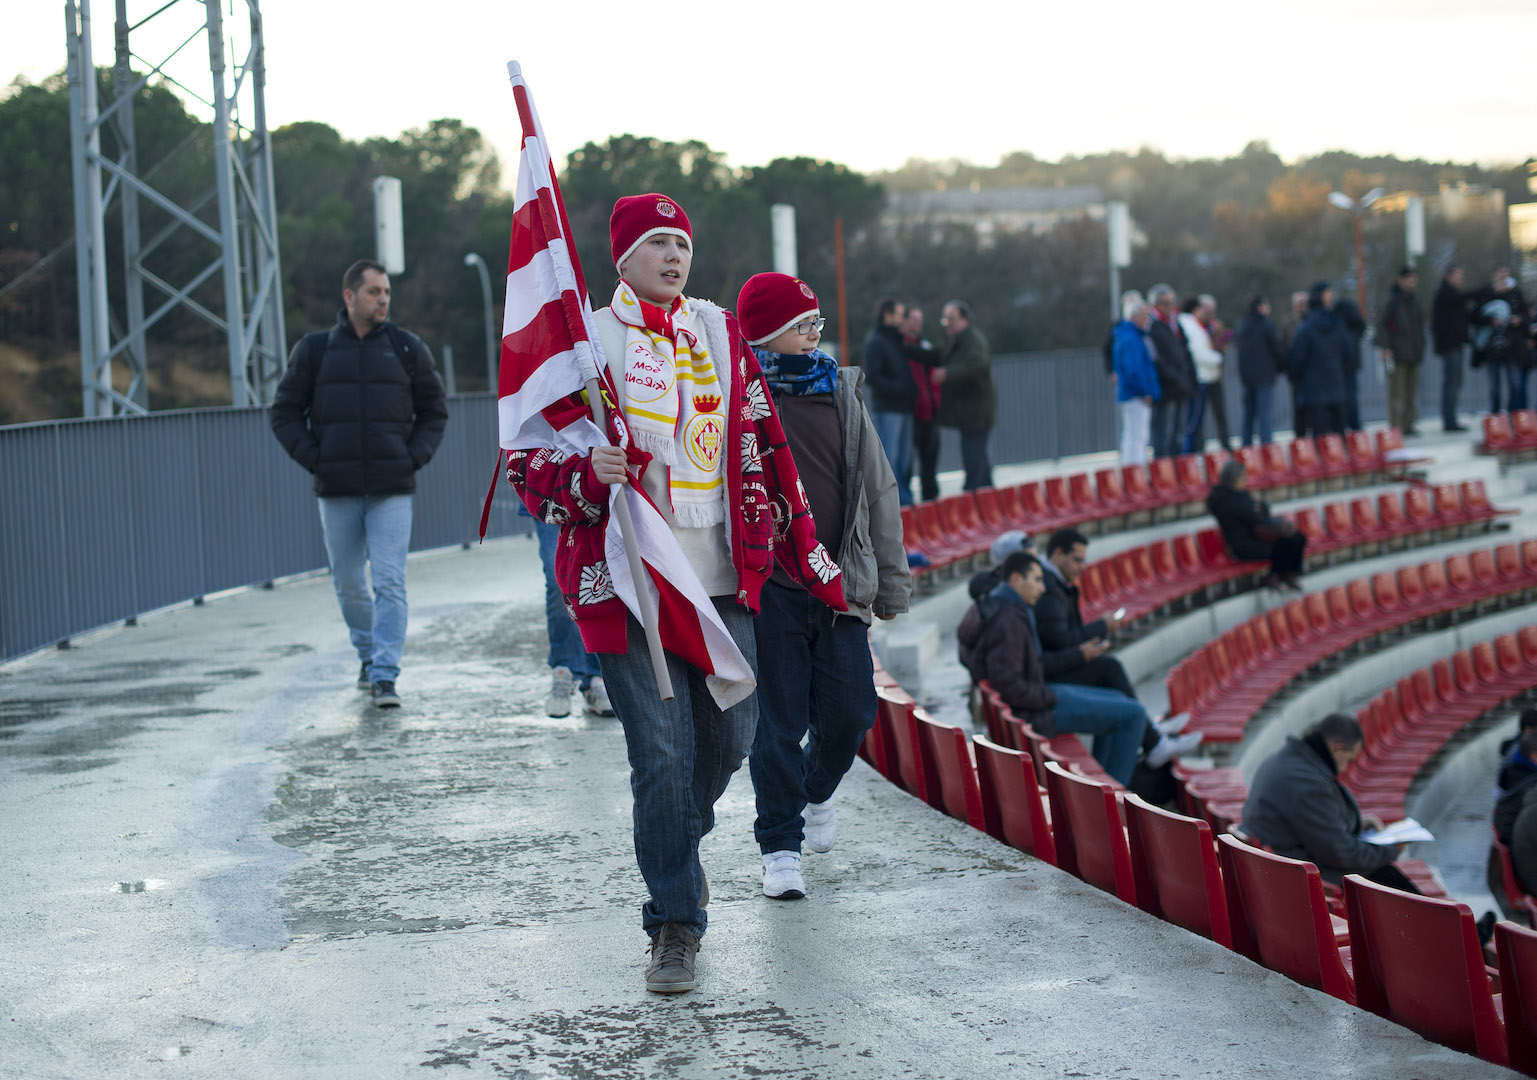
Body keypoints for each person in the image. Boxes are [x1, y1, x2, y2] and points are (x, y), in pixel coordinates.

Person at [505, 193, 848, 994]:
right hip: (632, 582)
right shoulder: (584, 343)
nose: (672, 256)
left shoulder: (720, 332)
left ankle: (671, 851)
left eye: (681, 243)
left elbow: (765, 446)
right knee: (660, 755)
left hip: (724, 578)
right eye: (655, 243)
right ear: (620, 258)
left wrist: (812, 555)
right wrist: (588, 472)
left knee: (729, 742)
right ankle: (673, 923)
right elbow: (526, 462)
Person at [736, 272, 911, 901]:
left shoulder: (843, 394)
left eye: (815, 325)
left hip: (839, 584)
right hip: (774, 587)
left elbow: (880, 492)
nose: (814, 335)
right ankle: (779, 845)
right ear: (766, 334)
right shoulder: (736, 397)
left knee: (851, 715)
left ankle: (814, 789)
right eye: (802, 325)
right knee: (777, 722)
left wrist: (890, 582)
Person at [269, 258, 448, 709]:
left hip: (392, 488)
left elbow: (434, 412)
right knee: (348, 582)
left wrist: (412, 457)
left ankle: (385, 674)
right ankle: (368, 656)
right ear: (349, 297)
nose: (383, 299)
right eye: (374, 292)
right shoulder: (314, 351)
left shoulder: (408, 349)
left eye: (386, 291)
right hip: (337, 488)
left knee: (389, 580)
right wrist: (317, 459)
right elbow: (284, 412)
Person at [957, 552, 1189, 786]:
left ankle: (1103, 787)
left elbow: (975, 657)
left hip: (1036, 698)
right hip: (1037, 710)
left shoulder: (995, 604)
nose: (1043, 588)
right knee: (1134, 715)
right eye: (1037, 580)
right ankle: (1114, 801)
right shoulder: (1008, 620)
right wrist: (1048, 696)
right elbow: (1009, 685)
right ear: (1017, 579)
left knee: (1120, 699)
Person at [1033, 528, 1200, 784]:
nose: (1081, 567)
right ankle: (1147, 749)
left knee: (1112, 678)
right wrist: (1097, 632)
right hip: (1050, 681)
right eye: (1077, 560)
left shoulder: (1053, 585)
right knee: (1115, 684)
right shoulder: (1048, 588)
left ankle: (1148, 737)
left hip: (1051, 673)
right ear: (1057, 554)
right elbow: (1056, 639)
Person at [1242, 713, 1419, 892]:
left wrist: (1358, 823)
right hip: (1296, 878)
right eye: (1349, 760)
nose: (1344, 769)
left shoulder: (1283, 759)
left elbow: (1315, 828)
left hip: (1279, 864)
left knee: (1391, 881)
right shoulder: (1309, 784)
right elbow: (1341, 854)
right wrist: (1392, 849)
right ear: (1337, 749)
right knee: (1397, 888)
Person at [522, 504, 610, 718]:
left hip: (595, 484)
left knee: (595, 574)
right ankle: (563, 670)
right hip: (549, 486)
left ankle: (595, 678)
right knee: (558, 578)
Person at [1206, 459, 1306, 590]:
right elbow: (1255, 516)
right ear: (1232, 479)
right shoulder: (1224, 499)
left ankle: (1284, 575)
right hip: (1242, 546)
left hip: (1255, 537)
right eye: (1242, 477)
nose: (1244, 480)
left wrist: (1261, 509)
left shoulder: (1239, 494)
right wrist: (1262, 511)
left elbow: (1258, 513)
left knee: (1297, 538)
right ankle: (1276, 575)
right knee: (1286, 543)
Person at [935, 300, 995, 490]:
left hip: (975, 410)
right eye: (945, 319)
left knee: (973, 454)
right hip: (969, 411)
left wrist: (947, 374)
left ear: (965, 319)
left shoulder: (972, 341)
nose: (948, 324)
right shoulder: (959, 341)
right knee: (978, 455)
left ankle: (974, 495)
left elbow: (977, 364)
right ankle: (985, 493)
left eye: (952, 319)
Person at [861, 298, 916, 506]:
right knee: (890, 460)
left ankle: (905, 500)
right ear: (888, 315)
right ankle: (893, 504)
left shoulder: (897, 340)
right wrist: (899, 388)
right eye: (901, 315)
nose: (904, 319)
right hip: (888, 409)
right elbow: (873, 376)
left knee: (904, 460)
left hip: (904, 407)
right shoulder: (876, 341)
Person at [1289, 281, 1352, 437]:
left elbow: (1297, 358)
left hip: (1314, 390)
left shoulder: (1306, 328)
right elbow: (1348, 353)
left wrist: (1296, 377)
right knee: (1339, 438)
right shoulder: (1337, 324)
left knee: (1321, 440)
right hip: (1337, 386)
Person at [1472, 265, 1532, 413]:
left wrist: (1519, 320)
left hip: (1512, 347)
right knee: (1494, 386)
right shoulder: (1485, 295)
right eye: (1500, 275)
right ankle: (1496, 417)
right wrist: (1491, 321)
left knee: (1515, 384)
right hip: (1492, 348)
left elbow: (1527, 316)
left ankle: (1514, 417)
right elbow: (1474, 317)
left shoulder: (1515, 295)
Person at [1146, 284, 1196, 458]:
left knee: (1178, 431)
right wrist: (1174, 377)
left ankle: (1176, 468)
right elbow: (1158, 359)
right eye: (1165, 303)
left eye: (1171, 302)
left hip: (1181, 385)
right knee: (1164, 431)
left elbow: (1185, 350)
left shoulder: (1175, 324)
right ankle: (1162, 469)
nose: (1170, 307)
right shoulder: (1152, 326)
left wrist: (1188, 377)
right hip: (1166, 387)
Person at [902, 305, 944, 503]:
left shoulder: (926, 347)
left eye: (920, 319)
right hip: (911, 413)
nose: (918, 323)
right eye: (913, 318)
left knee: (930, 462)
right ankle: (907, 503)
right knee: (906, 463)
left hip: (930, 413)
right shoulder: (900, 348)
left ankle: (931, 502)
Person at [1376, 267, 1425, 436]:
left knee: (1411, 392)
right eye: (1409, 279)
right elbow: (1381, 326)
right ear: (1400, 280)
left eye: (1414, 279)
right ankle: (1396, 426)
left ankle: (1408, 424)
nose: (1412, 283)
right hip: (1397, 354)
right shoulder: (1392, 301)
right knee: (1398, 393)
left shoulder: (1414, 300)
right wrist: (1385, 347)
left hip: (1414, 353)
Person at [1112, 295, 1159, 465]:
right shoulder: (1131, 339)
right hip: (1135, 394)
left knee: (1134, 434)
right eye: (1144, 315)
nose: (1147, 319)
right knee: (1137, 435)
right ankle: (1134, 471)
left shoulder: (1129, 336)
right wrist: (1144, 391)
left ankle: (1133, 469)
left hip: (1132, 393)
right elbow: (1134, 371)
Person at [1179, 294, 1229, 452]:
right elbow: (1199, 353)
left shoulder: (1200, 325)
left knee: (1198, 419)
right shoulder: (1190, 326)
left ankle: (1194, 451)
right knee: (1194, 421)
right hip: (1199, 378)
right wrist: (1217, 358)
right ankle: (1191, 453)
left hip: (1206, 377)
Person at [1236, 296, 1283, 446]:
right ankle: (1266, 448)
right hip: (1264, 376)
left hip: (1247, 377)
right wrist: (1282, 365)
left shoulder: (1242, 325)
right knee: (1265, 414)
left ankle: (1246, 447)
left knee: (1249, 415)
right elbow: (1275, 348)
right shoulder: (1266, 324)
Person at [1432, 265, 1473, 432]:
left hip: (1456, 344)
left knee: (1455, 382)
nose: (1460, 279)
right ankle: (1449, 420)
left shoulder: (1451, 296)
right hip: (1450, 346)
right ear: (1449, 277)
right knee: (1452, 382)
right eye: (1458, 276)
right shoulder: (1445, 294)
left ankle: (1451, 418)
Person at [1278, 290, 1311, 437]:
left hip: (1313, 372)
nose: (1301, 307)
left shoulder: (1312, 321)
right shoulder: (1287, 323)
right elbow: (1282, 347)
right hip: (1296, 372)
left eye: (1304, 303)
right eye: (1299, 304)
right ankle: (1300, 438)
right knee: (1298, 408)